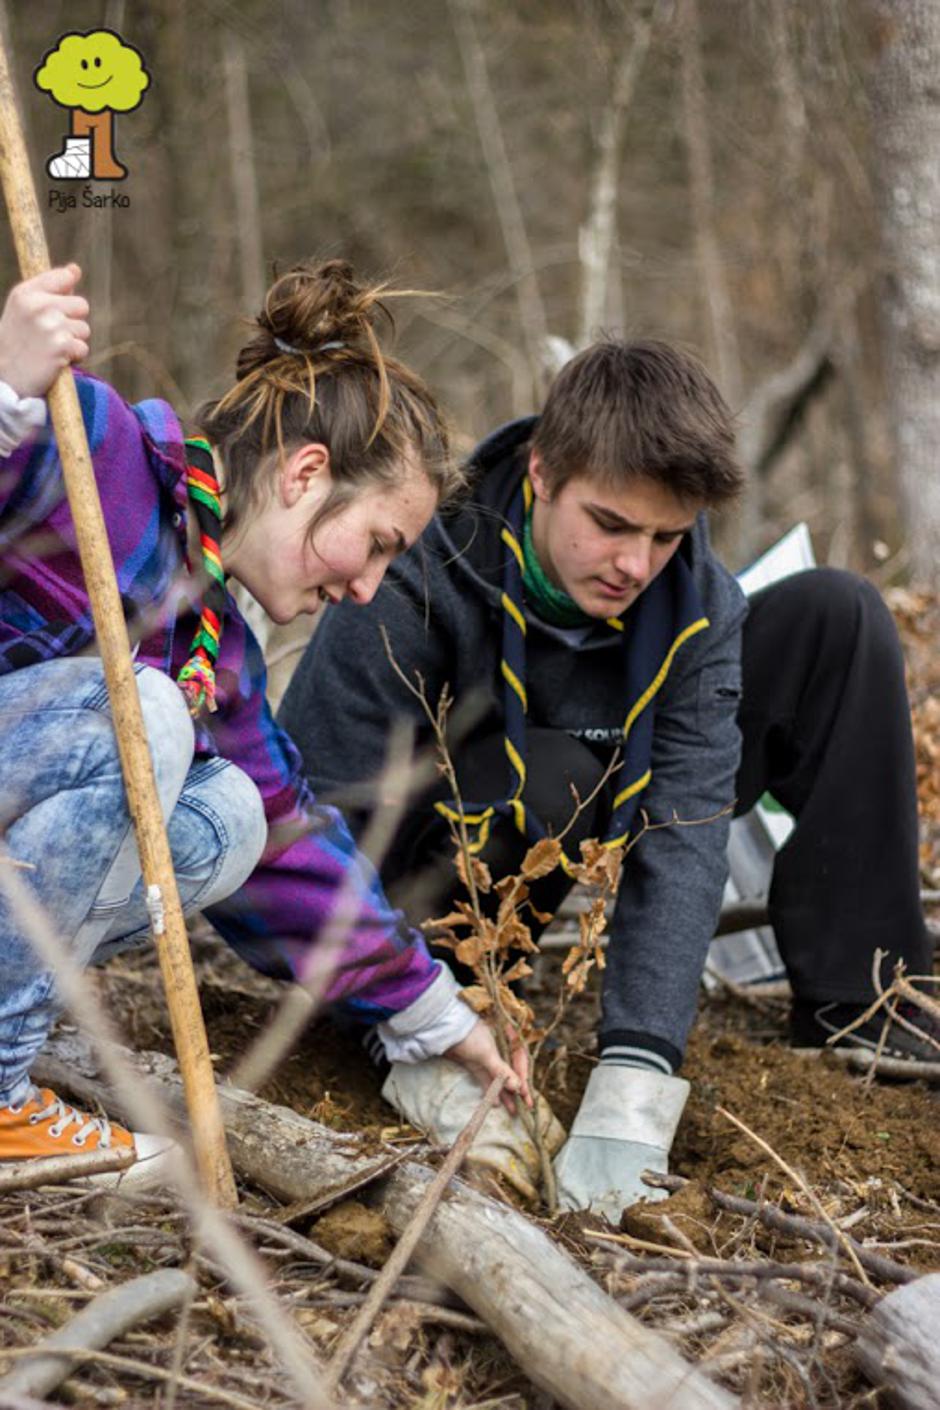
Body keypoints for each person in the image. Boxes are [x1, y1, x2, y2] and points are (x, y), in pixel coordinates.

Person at [280, 338, 936, 1220]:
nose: (636, 564)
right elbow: (313, 806)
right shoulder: (413, 565)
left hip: (607, 774)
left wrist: (639, 1062)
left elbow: (688, 830)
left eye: (667, 536)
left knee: (839, 617)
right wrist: (400, 1004)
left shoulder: (695, 600)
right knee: (552, 770)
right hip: (433, 860)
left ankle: (865, 1002)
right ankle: (448, 1013)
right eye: (613, 525)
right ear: (543, 473)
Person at [0, 259, 528, 1180]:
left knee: (231, 815)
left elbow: (289, 849)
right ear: (306, 472)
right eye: (375, 545)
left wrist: (433, 1014)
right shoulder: (86, 443)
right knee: (148, 715)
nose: (366, 589)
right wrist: (6, 389)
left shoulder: (215, 647)